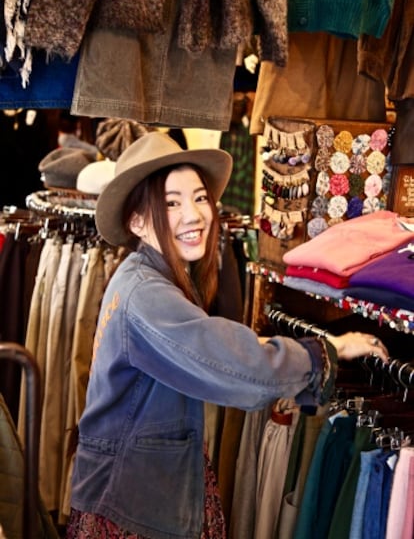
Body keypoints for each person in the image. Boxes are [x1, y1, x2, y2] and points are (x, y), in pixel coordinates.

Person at [66, 131, 389, 539]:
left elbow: (207, 343)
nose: (194, 215)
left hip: (137, 488)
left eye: (200, 197)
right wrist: (322, 353)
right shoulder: (146, 294)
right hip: (130, 502)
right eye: (171, 203)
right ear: (138, 221)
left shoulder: (151, 276)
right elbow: (226, 361)